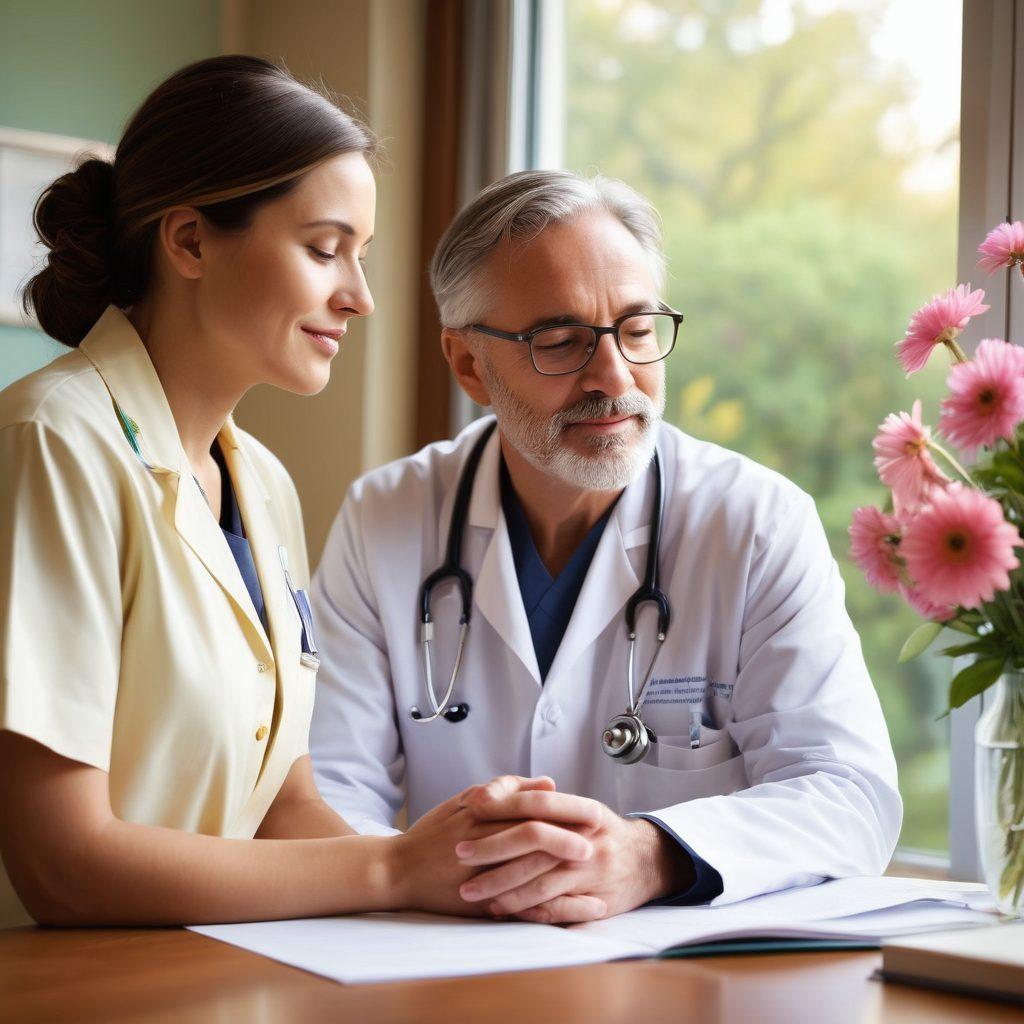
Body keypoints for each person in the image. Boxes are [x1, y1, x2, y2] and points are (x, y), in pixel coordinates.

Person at [0, 58, 587, 929]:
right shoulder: (53, 441)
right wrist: (392, 870)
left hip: (219, 978)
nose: (360, 298)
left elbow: (282, 811)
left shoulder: (261, 482)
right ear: (191, 241)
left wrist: (469, 864)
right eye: (325, 249)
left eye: (361, 255)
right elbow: (65, 864)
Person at [309, 169, 903, 925]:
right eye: (559, 341)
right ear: (467, 365)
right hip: (449, 958)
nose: (613, 376)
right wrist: (425, 880)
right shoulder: (386, 517)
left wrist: (650, 856)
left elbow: (851, 795)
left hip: (683, 985)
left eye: (638, 329)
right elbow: (327, 788)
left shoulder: (755, 524)